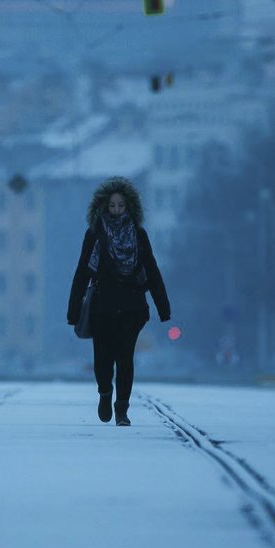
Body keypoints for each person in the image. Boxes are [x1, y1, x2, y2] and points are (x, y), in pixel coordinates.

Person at [67, 177, 171, 426]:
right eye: (112, 206)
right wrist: (74, 311)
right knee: (103, 357)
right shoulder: (94, 234)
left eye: (120, 206)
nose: (116, 211)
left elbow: (152, 269)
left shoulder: (139, 234)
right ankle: (105, 392)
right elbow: (82, 270)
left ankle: (122, 409)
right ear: (103, 206)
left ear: (129, 207)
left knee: (125, 358)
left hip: (132, 306)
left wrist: (162, 306)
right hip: (102, 307)